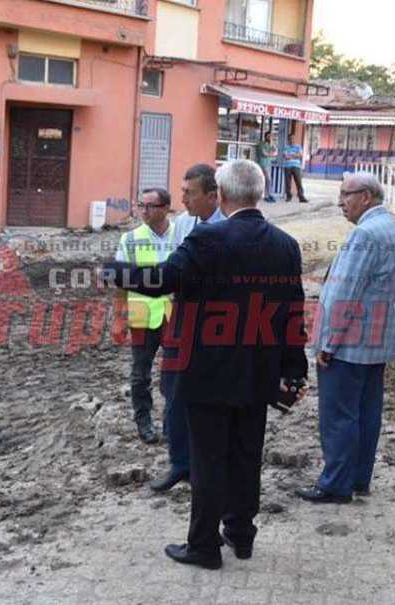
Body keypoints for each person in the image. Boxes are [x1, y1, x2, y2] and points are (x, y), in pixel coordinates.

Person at [104, 159, 309, 570]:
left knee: (209, 459)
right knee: (247, 456)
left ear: (224, 194)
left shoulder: (208, 239)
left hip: (206, 372)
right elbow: (293, 312)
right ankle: (240, 534)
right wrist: (294, 369)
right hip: (257, 372)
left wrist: (116, 272)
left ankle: (203, 546)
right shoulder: (285, 245)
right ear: (258, 193)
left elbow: (163, 279)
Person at [296, 172, 395, 504]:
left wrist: (327, 342)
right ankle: (359, 478)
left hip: (349, 345)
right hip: (377, 343)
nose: (340, 202)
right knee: (366, 413)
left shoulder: (364, 235)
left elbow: (343, 294)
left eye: (346, 194)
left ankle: (335, 484)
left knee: (339, 417)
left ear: (366, 196)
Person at [149, 164, 226, 492]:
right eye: (182, 192)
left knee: (209, 399)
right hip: (181, 318)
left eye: (189, 193)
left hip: (218, 324)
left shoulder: (229, 226)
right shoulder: (183, 224)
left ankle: (206, 465)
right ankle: (180, 463)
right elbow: (174, 270)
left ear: (212, 195)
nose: (183, 199)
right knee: (174, 392)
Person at [112, 188, 182, 444]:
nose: (143, 211)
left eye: (149, 206)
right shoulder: (130, 239)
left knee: (176, 373)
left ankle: (171, 424)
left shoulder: (183, 234)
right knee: (140, 374)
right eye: (140, 205)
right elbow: (120, 281)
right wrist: (119, 317)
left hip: (175, 314)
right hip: (142, 314)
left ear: (165, 208)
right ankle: (144, 423)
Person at [282, 134, 308, 203]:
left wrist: (291, 156)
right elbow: (285, 156)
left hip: (296, 166)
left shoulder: (298, 147)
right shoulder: (286, 147)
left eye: (293, 138)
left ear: (294, 139)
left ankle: (301, 197)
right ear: (288, 140)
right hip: (287, 166)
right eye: (290, 138)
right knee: (288, 182)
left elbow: (300, 155)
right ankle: (288, 196)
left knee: (298, 182)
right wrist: (294, 155)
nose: (292, 140)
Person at [255, 131, 277, 202]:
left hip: (268, 164)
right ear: (266, 136)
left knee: (267, 180)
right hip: (262, 164)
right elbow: (264, 154)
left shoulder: (270, 144)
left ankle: (269, 195)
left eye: (271, 136)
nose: (270, 137)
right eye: (269, 136)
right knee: (267, 179)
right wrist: (271, 154)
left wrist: (272, 145)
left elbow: (276, 152)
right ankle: (266, 195)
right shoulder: (261, 144)